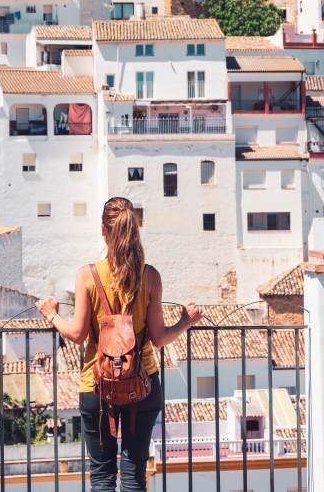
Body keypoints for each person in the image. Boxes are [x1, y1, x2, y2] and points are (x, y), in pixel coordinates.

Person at [37, 197, 203, 492]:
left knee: (102, 476)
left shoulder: (87, 275)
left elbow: (76, 334)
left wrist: (51, 314)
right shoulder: (150, 276)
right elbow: (159, 338)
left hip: (97, 385)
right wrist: (185, 322)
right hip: (143, 384)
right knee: (134, 474)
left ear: (104, 230)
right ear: (134, 231)